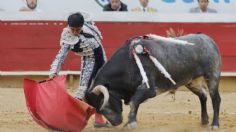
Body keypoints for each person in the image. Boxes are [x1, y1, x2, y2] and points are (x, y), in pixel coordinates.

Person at [49, 12, 110, 128]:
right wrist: (53, 72)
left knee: (96, 89)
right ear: (68, 27)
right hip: (87, 60)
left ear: (82, 26)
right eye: (73, 29)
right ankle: (70, 118)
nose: (75, 32)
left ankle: (97, 119)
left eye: (78, 29)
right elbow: (61, 55)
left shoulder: (90, 37)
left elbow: (99, 57)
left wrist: (95, 77)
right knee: (84, 90)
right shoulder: (68, 35)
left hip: (98, 60)